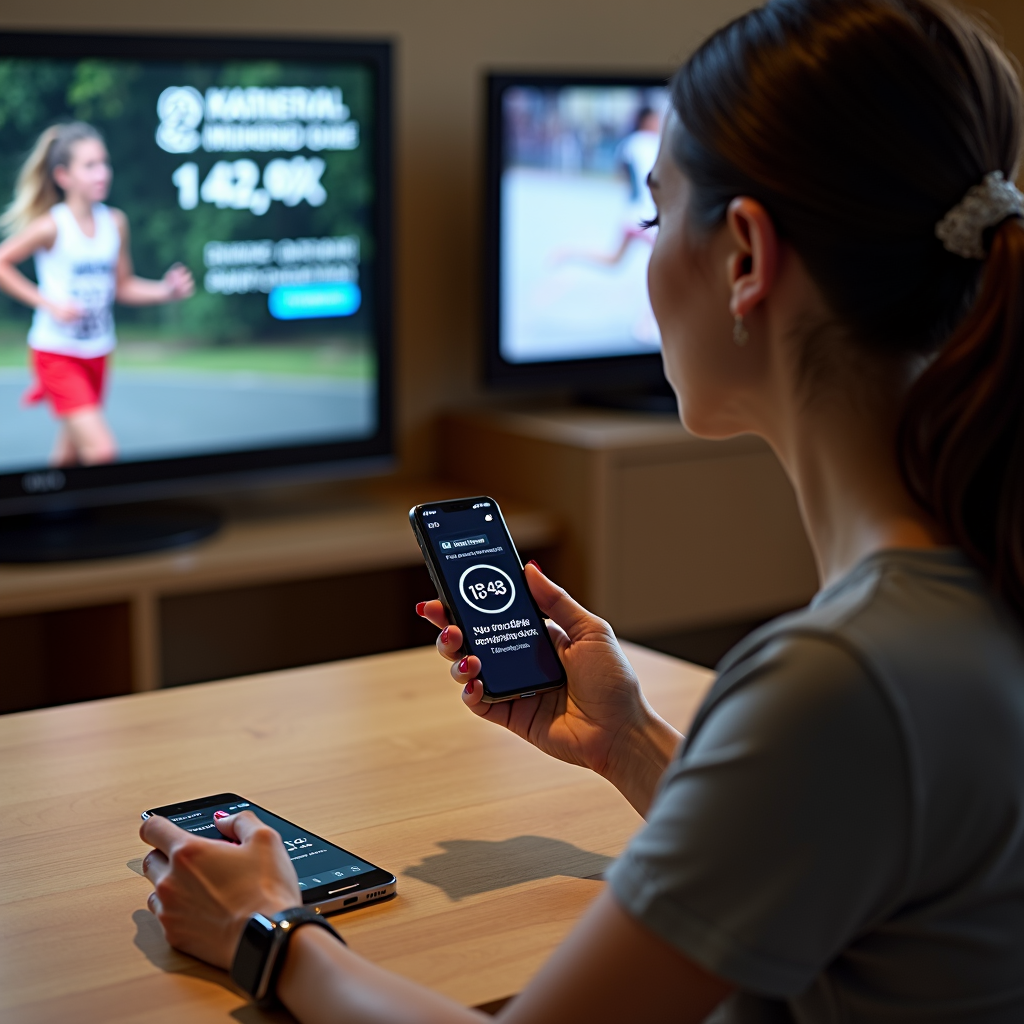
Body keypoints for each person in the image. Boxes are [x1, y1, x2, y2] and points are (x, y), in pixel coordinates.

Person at [138, 1, 1024, 1020]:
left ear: (744, 257)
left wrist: (269, 934)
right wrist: (630, 743)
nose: (646, 256)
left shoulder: (845, 682)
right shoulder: (964, 595)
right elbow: (845, 835)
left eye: (656, 216)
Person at [0, 122, 194, 466]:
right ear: (63, 176)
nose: (102, 173)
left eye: (104, 163)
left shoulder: (115, 223)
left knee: (72, 452)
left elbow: (123, 286)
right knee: (101, 450)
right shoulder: (51, 226)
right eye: (90, 166)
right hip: (56, 352)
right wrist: (48, 303)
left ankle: (51, 512)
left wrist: (165, 290)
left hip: (98, 351)